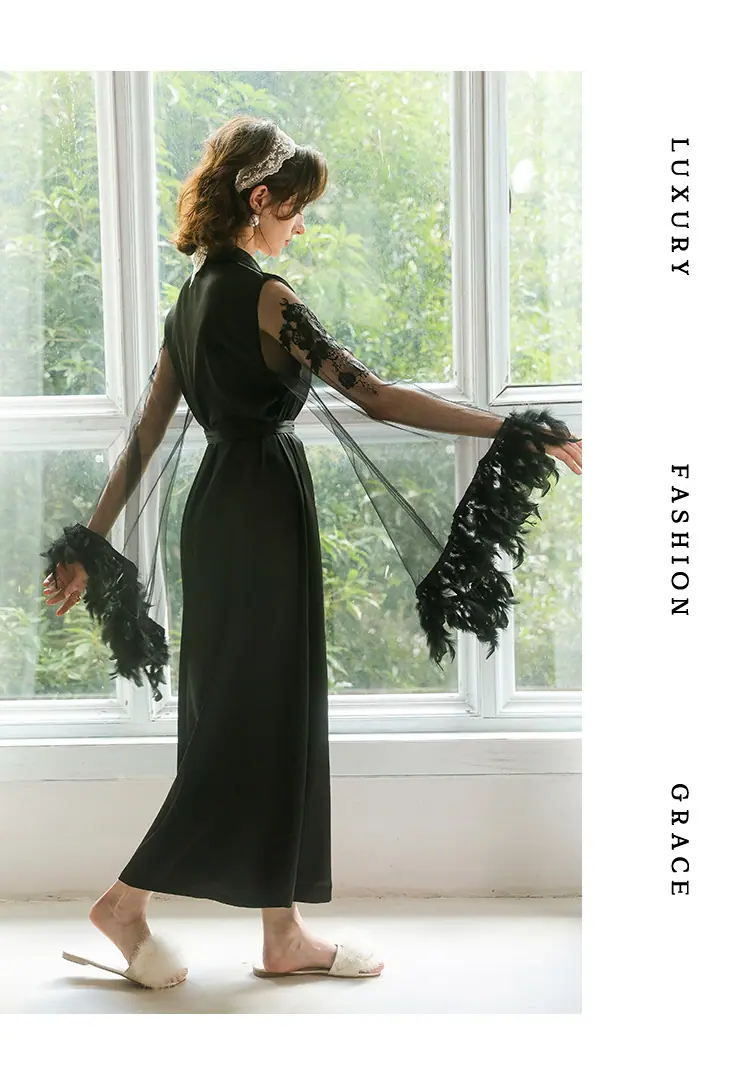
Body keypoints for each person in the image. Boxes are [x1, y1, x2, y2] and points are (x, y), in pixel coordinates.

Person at [42, 116, 582, 989]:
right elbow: (377, 397)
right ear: (260, 199)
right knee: (253, 723)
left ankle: (282, 933)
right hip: (261, 511)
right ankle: (125, 901)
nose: (300, 225)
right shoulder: (267, 297)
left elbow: (144, 437)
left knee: (259, 718)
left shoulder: (187, 303)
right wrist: (511, 428)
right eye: (295, 209)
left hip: (218, 512)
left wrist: (86, 543)